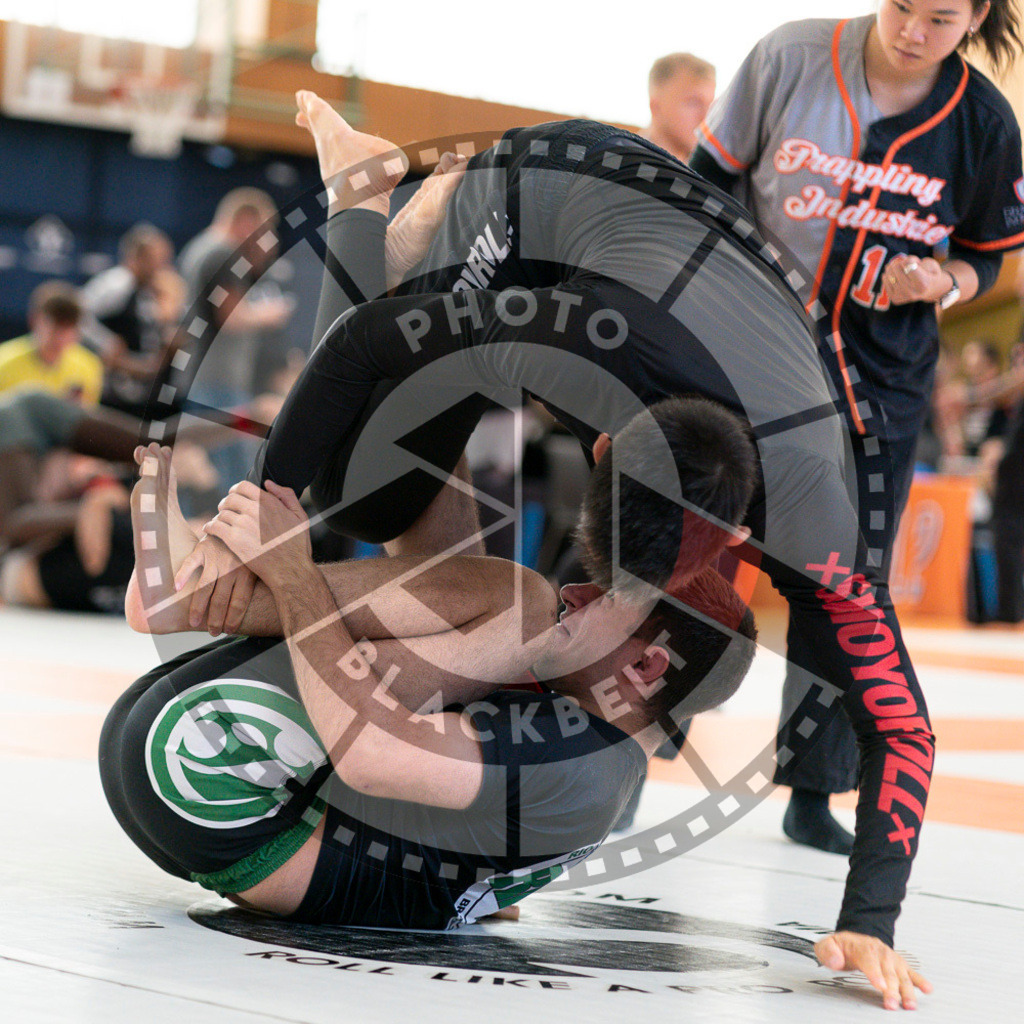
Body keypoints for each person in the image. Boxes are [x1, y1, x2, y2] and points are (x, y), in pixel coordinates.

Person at [175, 93, 937, 1008]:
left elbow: (901, 727)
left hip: (682, 288)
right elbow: (357, 343)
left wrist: (870, 919)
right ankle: (376, 199)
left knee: (390, 475)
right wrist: (266, 523)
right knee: (365, 490)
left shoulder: (821, 520)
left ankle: (412, 228)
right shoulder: (567, 339)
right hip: (547, 193)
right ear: (601, 449)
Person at [103, 428, 758, 929]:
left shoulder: (586, 763)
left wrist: (292, 570)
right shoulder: (600, 748)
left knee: (520, 604)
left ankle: (195, 596)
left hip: (213, 786)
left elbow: (370, 755)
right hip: (208, 788)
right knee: (501, 605)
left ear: (645, 665)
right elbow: (447, 582)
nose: (579, 589)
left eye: (609, 595)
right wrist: (445, 404)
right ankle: (432, 404)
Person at [692, 0, 1024, 855]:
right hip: (751, 352)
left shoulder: (984, 123)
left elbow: (989, 254)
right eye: (902, 6)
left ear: (974, 16)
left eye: (940, 17)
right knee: (680, 534)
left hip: (880, 381)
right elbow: (708, 176)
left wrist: (940, 285)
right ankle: (616, 746)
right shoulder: (792, 55)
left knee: (841, 582)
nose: (912, 29)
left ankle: (813, 790)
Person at [177, 188, 296, 486]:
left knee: (202, 468)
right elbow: (230, 317)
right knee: (227, 477)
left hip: (204, 377)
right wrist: (270, 313)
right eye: (264, 229)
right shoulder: (221, 252)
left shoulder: (198, 249)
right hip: (217, 381)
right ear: (245, 221)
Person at [80, 223, 185, 418]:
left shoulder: (155, 290)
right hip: (116, 390)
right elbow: (78, 315)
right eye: (158, 260)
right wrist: (106, 344)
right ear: (136, 258)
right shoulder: (116, 284)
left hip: (147, 391)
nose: (164, 267)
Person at [0, 281, 103, 406]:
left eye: (68, 328)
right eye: (55, 327)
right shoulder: (3, 362)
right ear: (34, 320)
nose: (61, 337)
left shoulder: (89, 366)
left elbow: (82, 420)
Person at [641, 52, 716, 164]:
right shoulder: (622, 164)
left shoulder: (706, 172)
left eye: (710, 105)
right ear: (655, 106)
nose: (706, 117)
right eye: (694, 102)